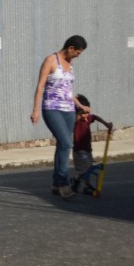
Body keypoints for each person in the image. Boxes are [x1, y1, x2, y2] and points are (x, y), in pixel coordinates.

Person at [30, 35, 89, 199]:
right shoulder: (51, 60)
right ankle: (64, 184)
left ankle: (56, 184)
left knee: (63, 145)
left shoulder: (70, 64)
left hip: (68, 110)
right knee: (66, 143)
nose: (78, 56)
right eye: (77, 52)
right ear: (70, 48)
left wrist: (79, 105)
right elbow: (41, 86)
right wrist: (35, 110)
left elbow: (67, 90)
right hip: (51, 108)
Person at [71, 94, 112, 195]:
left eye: (87, 113)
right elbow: (76, 117)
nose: (86, 116)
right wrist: (80, 111)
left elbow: (95, 117)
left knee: (88, 169)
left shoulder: (88, 119)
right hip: (79, 150)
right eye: (83, 113)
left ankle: (85, 184)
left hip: (88, 149)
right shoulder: (75, 120)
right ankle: (77, 182)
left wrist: (106, 124)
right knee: (85, 169)